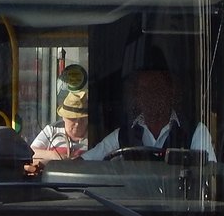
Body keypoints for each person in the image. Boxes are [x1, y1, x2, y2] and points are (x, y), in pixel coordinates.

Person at [82, 66, 216, 163]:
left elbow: (210, 174)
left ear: (170, 93)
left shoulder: (196, 132)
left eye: (156, 88)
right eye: (144, 90)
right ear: (137, 98)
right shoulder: (122, 135)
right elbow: (86, 162)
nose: (150, 96)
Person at [24, 90, 89, 175]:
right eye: (73, 119)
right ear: (64, 117)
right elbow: (31, 152)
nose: (77, 123)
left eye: (82, 119)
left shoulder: (95, 135)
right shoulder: (51, 130)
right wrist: (57, 156)